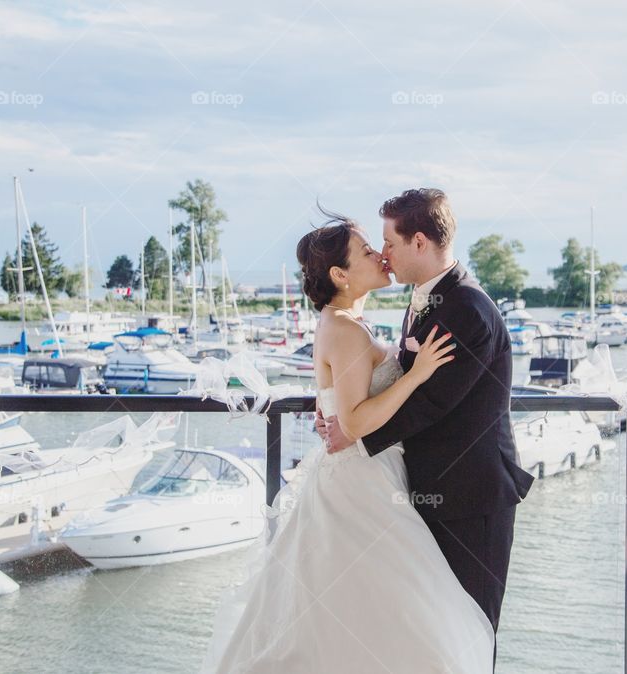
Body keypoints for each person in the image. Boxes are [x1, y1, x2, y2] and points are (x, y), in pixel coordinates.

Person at [202, 208, 495, 673]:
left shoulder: (342, 322)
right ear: (340, 274)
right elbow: (356, 424)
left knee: (360, 608)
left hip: (367, 473)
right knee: (399, 613)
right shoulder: (344, 329)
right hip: (362, 481)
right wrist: (415, 375)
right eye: (366, 250)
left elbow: (345, 405)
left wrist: (338, 405)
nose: (380, 255)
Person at [319, 188, 535, 655]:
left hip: (469, 496)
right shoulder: (428, 297)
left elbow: (432, 402)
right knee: (429, 634)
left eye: (390, 243)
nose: (384, 254)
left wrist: (353, 433)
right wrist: (341, 414)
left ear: (420, 242)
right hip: (426, 492)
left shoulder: (468, 309)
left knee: (469, 632)